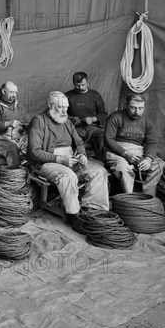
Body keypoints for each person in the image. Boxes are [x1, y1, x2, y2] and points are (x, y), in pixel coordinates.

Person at [27, 91, 109, 233]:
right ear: (50, 105)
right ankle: (73, 215)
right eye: (60, 107)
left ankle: (94, 210)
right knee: (68, 176)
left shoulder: (67, 121)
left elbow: (79, 143)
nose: (65, 111)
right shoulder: (38, 121)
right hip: (47, 163)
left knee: (99, 171)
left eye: (66, 107)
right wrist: (59, 159)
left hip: (70, 160)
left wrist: (82, 155)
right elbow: (34, 151)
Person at [103, 94, 165, 196]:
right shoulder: (115, 117)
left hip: (138, 150)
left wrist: (148, 159)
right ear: (126, 105)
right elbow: (108, 140)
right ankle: (130, 199)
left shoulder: (147, 122)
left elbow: (152, 142)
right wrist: (126, 154)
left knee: (159, 165)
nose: (137, 112)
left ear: (144, 107)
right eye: (133, 108)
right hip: (117, 150)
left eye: (141, 108)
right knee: (122, 167)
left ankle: (147, 197)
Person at [0, 81, 30, 168]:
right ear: (3, 92)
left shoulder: (19, 106)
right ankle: (15, 175)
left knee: (36, 143)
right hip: (1, 138)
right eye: (11, 92)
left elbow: (28, 122)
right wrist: (8, 123)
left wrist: (24, 133)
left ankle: (31, 171)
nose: (14, 95)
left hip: (20, 137)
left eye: (15, 92)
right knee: (12, 147)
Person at [65, 72, 107, 159]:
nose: (80, 88)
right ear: (73, 83)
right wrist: (71, 119)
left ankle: (102, 162)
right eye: (77, 85)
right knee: (70, 138)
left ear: (88, 82)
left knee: (102, 137)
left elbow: (103, 114)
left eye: (83, 85)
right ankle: (78, 163)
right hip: (76, 128)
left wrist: (92, 119)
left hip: (93, 128)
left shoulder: (95, 95)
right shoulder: (68, 96)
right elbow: (62, 114)